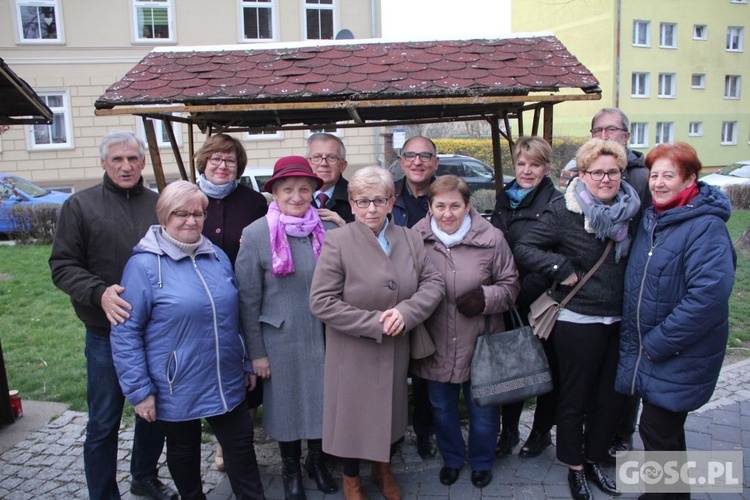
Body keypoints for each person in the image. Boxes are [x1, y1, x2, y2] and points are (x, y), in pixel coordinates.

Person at [110, 181, 265, 500]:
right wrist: (140, 391)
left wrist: (247, 359)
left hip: (225, 377)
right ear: (165, 215)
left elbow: (235, 315)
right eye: (181, 213)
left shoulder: (217, 257)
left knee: (241, 449)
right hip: (176, 382)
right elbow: (126, 333)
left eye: (198, 213)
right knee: (184, 453)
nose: (191, 221)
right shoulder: (143, 266)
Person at [49, 131, 177, 500]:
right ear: (104, 163)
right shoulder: (80, 206)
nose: (126, 166)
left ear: (142, 163)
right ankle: (103, 493)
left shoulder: (158, 204)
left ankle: (144, 476)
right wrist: (98, 292)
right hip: (105, 331)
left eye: (133, 159)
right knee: (103, 422)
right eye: (117, 159)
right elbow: (62, 265)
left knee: (153, 415)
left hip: (155, 332)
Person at [514, 138, 641, 500]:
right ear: (582, 174)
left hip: (618, 319)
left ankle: (596, 457)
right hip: (577, 319)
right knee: (574, 396)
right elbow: (525, 247)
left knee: (609, 398)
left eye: (612, 171)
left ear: (621, 173)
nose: (605, 179)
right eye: (596, 172)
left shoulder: (632, 210)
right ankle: (575, 466)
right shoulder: (564, 210)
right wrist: (560, 266)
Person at [309, 166, 444, 500]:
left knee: (391, 415)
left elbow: (433, 282)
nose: (371, 209)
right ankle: (351, 479)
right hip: (353, 350)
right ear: (351, 204)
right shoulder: (338, 241)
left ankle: (383, 469)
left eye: (378, 200)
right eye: (362, 201)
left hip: (396, 347)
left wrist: (406, 312)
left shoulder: (410, 237)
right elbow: (321, 302)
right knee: (354, 420)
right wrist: (374, 323)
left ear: (391, 202)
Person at [615, 143, 736, 500]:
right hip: (655, 350)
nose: (659, 183)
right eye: (654, 175)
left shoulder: (705, 227)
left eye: (669, 175)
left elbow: (708, 297)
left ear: (690, 179)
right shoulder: (656, 218)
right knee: (664, 431)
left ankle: (663, 495)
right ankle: (669, 493)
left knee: (656, 428)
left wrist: (656, 343)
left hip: (676, 352)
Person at [235, 156, 337, 500]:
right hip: (279, 338)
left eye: (304, 189)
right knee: (287, 406)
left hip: (325, 336)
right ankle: (290, 468)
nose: (296, 196)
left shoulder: (330, 231)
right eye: (288, 189)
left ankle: (317, 463)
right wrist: (256, 354)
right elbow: (247, 300)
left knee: (324, 402)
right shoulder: (255, 234)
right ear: (275, 192)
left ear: (314, 193)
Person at [412, 175, 519, 489]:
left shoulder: (492, 238)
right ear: (429, 207)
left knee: (483, 409)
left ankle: (482, 461)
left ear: (468, 205)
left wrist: (485, 298)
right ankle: (453, 459)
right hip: (435, 341)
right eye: (440, 206)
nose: (448, 213)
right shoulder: (414, 239)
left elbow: (511, 286)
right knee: (442, 407)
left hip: (480, 341)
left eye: (455, 206)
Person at [194, 133, 268, 471]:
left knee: (249, 368)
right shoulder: (189, 197)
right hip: (200, 302)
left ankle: (241, 439)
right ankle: (222, 439)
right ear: (204, 162)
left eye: (230, 160)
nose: (223, 166)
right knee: (212, 369)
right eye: (216, 159)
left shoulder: (253, 202)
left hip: (245, 297)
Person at [490, 136, 564, 459]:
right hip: (509, 296)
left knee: (547, 369)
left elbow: (554, 256)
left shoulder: (555, 202)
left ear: (546, 167)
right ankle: (508, 432)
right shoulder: (507, 197)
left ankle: (540, 432)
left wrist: (520, 294)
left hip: (539, 300)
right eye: (521, 164)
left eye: (534, 164)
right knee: (513, 367)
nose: (527, 170)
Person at [391, 135, 440, 459]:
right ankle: (390, 434)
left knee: (426, 369)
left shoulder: (446, 192)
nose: (417, 161)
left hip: (431, 295)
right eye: (411, 155)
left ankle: (425, 431)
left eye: (425, 156)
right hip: (390, 295)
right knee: (390, 371)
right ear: (402, 160)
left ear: (435, 162)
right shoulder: (387, 193)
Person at [307, 132, 354, 226]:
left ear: (343, 166)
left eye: (331, 157)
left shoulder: (357, 198)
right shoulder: (294, 199)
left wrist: (345, 226)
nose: (323, 163)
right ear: (307, 163)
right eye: (317, 157)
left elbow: (371, 237)